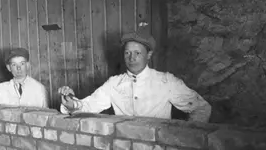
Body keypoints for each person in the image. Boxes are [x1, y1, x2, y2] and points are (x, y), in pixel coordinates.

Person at [58, 30, 211, 122]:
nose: (131, 58)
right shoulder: (114, 83)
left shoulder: (166, 82)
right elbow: (89, 105)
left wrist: (186, 139)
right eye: (127, 53)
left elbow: (202, 108)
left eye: (137, 53)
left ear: (149, 55)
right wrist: (71, 104)